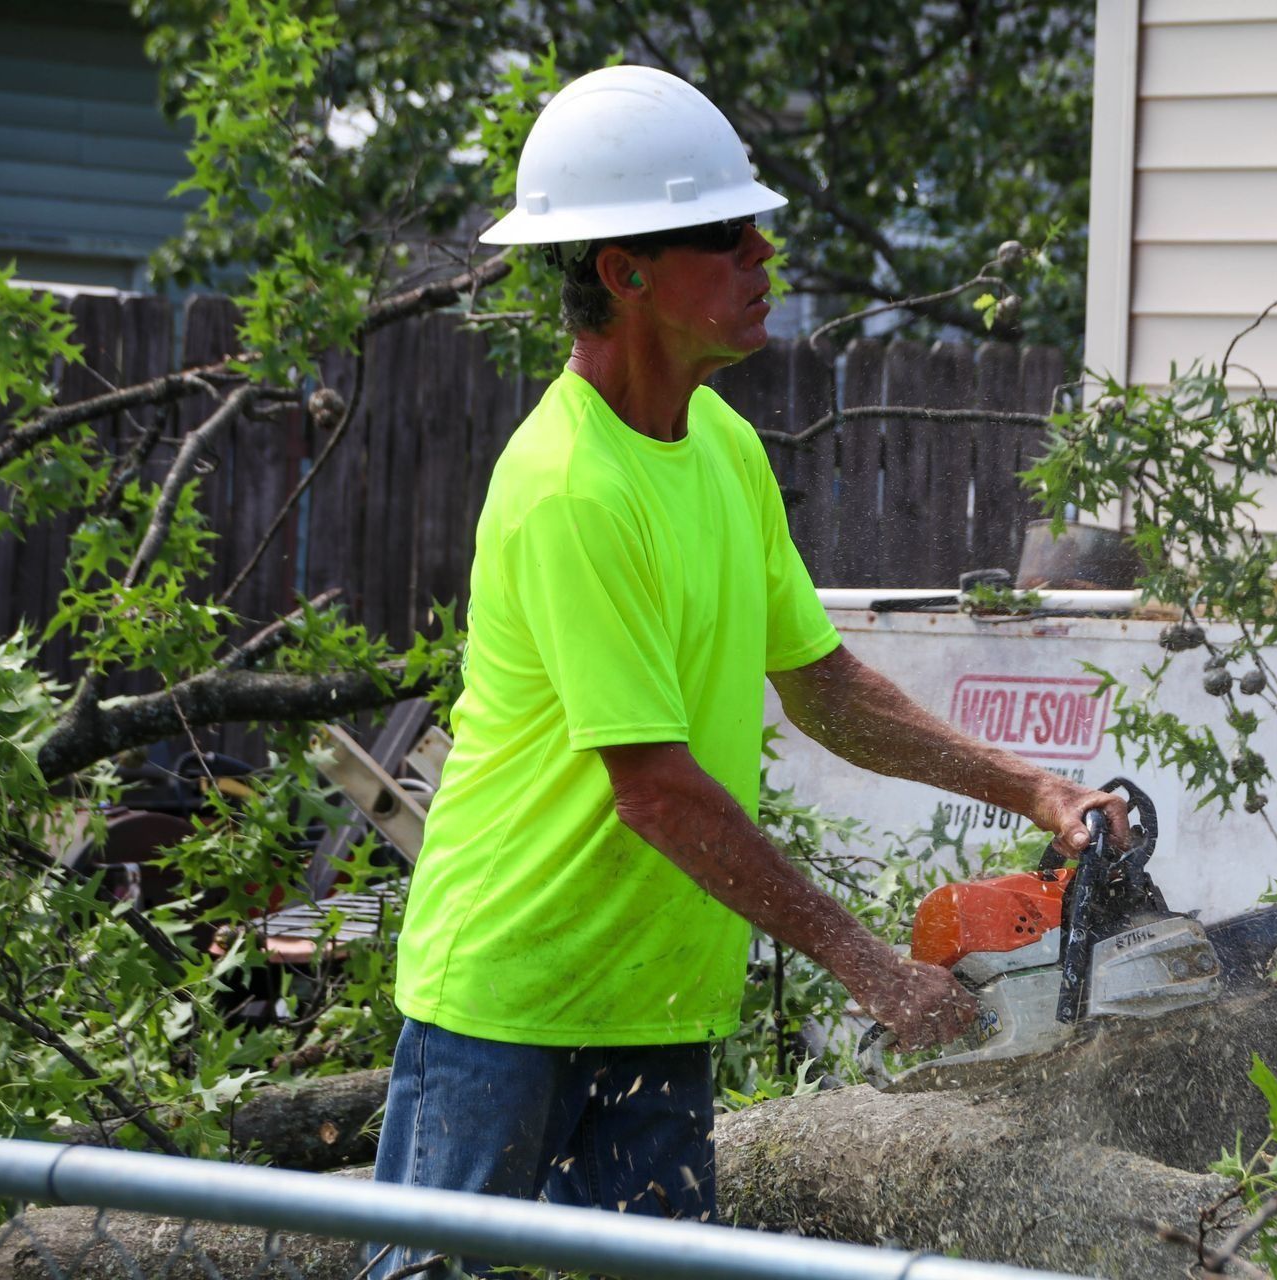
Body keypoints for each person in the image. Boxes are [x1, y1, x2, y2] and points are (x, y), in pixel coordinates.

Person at [371, 63, 1129, 1239]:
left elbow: (825, 689)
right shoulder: (569, 486)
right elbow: (658, 795)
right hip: (507, 1000)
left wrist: (1032, 784)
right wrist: (871, 966)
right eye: (728, 236)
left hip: (657, 1002)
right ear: (625, 271)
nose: (763, 256)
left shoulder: (719, 443)